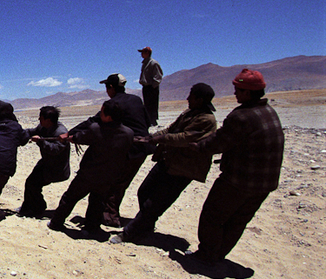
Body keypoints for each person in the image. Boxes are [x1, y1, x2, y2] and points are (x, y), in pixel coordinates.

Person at [186, 69, 284, 265]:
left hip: (239, 181)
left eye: (238, 89)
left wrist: (196, 147)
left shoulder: (242, 116)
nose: (235, 93)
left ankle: (207, 255)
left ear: (247, 93)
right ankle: (217, 255)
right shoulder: (269, 112)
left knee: (212, 217)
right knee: (238, 220)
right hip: (265, 182)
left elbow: (219, 142)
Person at [110, 83, 218, 244]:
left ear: (200, 99)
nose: (188, 98)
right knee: (144, 192)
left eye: (192, 96)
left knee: (154, 204)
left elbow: (184, 138)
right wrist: (149, 138)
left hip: (183, 168)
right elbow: (170, 130)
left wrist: (158, 139)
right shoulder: (189, 113)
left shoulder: (206, 120)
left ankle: (129, 233)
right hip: (167, 161)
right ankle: (145, 225)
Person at [68, 73, 152, 227]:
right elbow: (147, 121)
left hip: (128, 149)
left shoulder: (113, 104)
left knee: (112, 183)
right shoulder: (136, 99)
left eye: (107, 87)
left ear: (111, 87)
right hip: (143, 148)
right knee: (121, 183)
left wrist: (70, 133)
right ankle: (109, 216)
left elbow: (93, 121)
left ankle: (109, 218)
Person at [48, 100, 133, 234]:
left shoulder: (96, 128)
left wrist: (69, 137)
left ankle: (56, 222)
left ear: (109, 116)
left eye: (102, 112)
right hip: (109, 176)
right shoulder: (128, 133)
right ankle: (91, 228)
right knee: (98, 202)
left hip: (88, 173)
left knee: (70, 197)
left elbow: (80, 137)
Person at [17, 106, 71, 218]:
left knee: (33, 184)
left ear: (48, 120)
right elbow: (32, 131)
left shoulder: (61, 132)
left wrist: (41, 142)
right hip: (46, 164)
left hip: (56, 168)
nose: (38, 120)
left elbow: (55, 150)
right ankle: (28, 207)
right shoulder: (43, 126)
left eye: (41, 118)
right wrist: (18, 132)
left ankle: (37, 208)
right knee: (30, 182)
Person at [139, 47, 163, 127]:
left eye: (143, 52)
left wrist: (153, 86)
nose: (141, 54)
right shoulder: (145, 63)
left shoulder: (153, 63)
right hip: (146, 87)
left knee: (152, 104)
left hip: (151, 87)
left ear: (147, 53)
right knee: (147, 104)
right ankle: (149, 121)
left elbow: (158, 75)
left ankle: (153, 121)